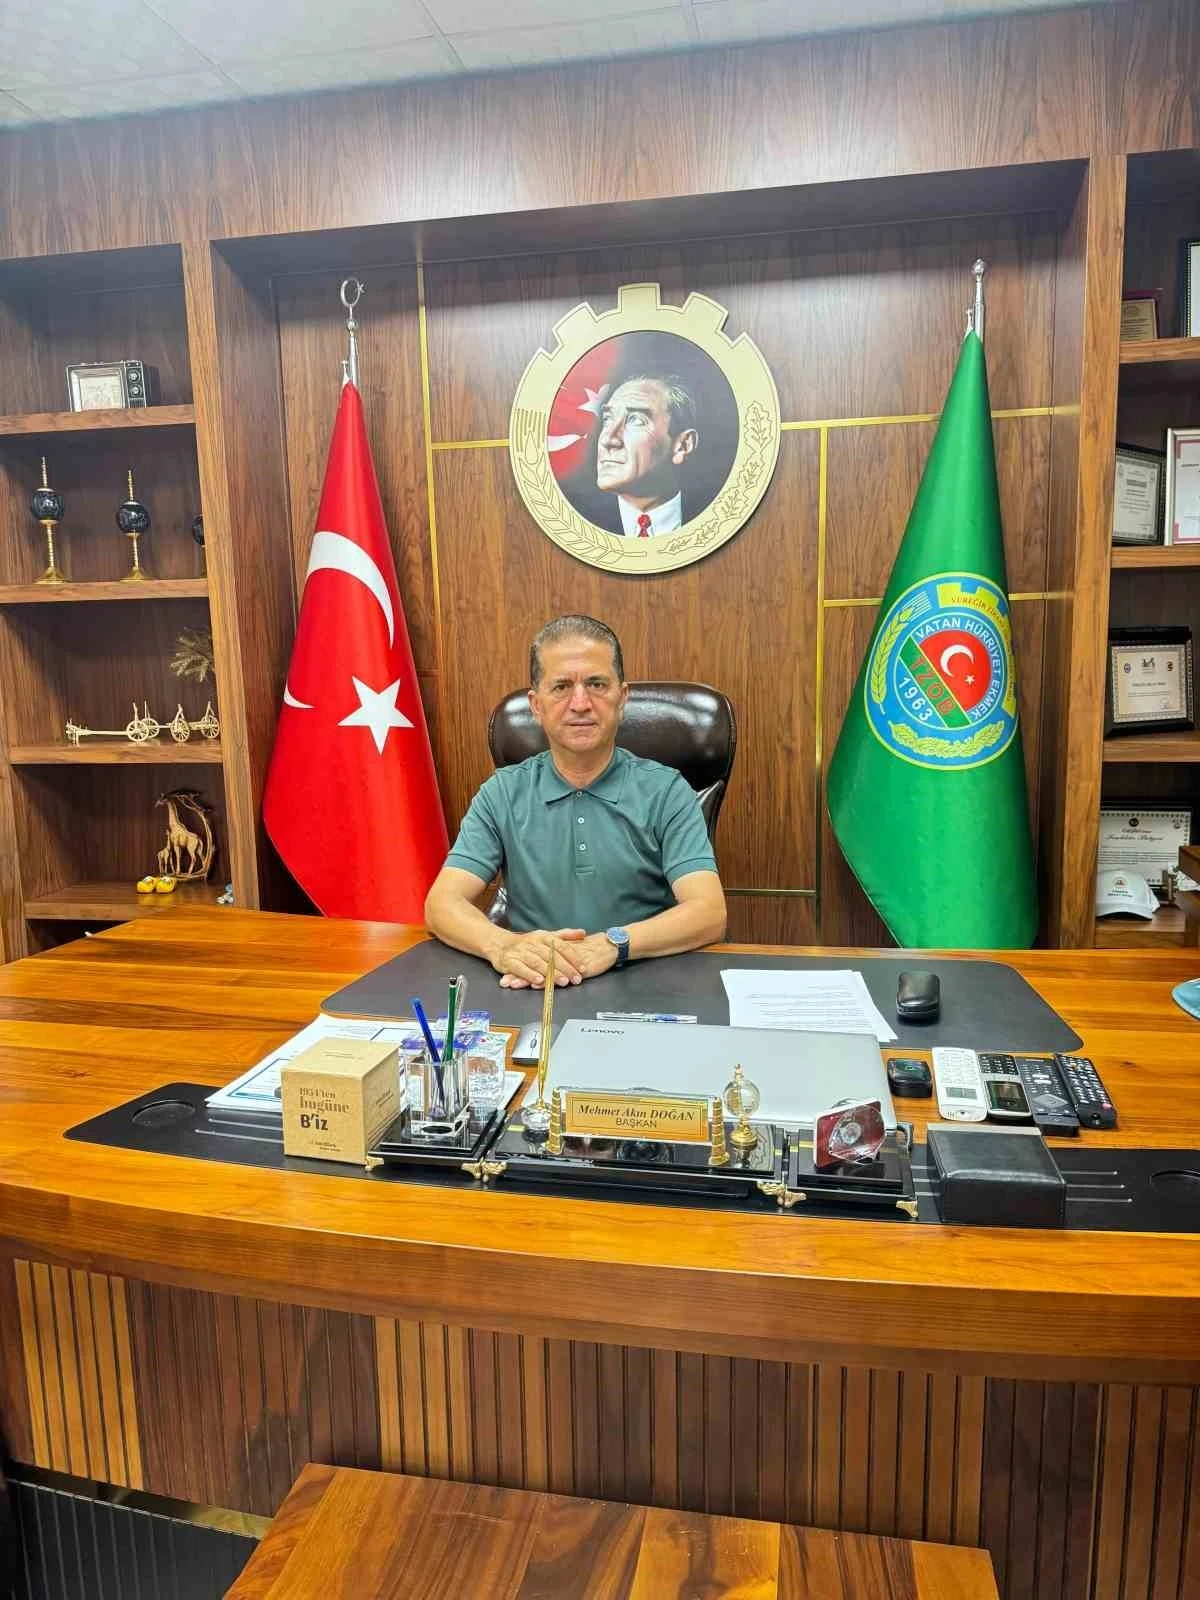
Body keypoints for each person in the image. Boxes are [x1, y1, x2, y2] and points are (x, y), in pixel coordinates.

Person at [424, 615, 727, 988]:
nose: (580, 703)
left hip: (644, 983)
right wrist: (504, 946)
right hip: (535, 985)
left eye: (597, 684)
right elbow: (441, 904)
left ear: (622, 698)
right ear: (536, 704)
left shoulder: (667, 791)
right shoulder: (502, 793)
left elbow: (709, 913)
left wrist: (612, 944)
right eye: (561, 687)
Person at [588, 374, 700, 537]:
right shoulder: (575, 519)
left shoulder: (715, 515)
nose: (608, 440)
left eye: (636, 420)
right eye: (607, 419)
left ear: (682, 446)